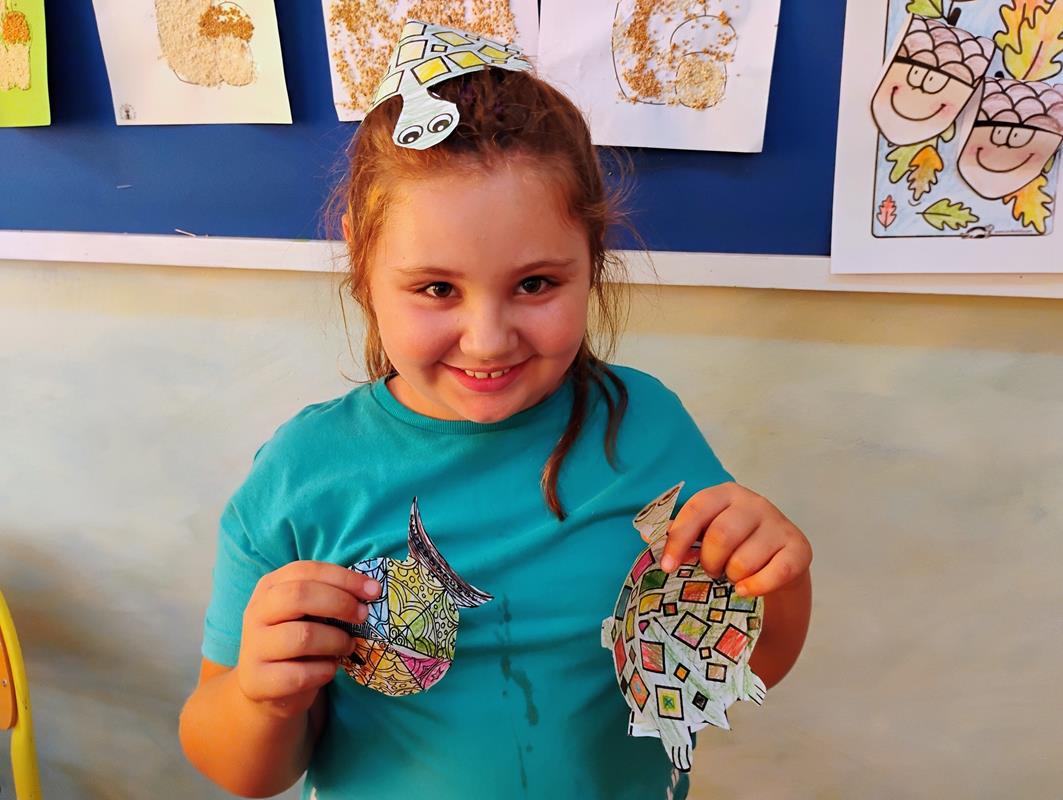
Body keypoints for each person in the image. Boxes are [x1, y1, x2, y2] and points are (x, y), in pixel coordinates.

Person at [178, 22, 812, 800]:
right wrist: (259, 696)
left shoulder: (646, 428)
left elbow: (736, 667)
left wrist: (779, 579)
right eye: (436, 288)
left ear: (592, 258)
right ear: (361, 259)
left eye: (535, 284)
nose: (487, 339)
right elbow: (242, 769)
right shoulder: (302, 475)